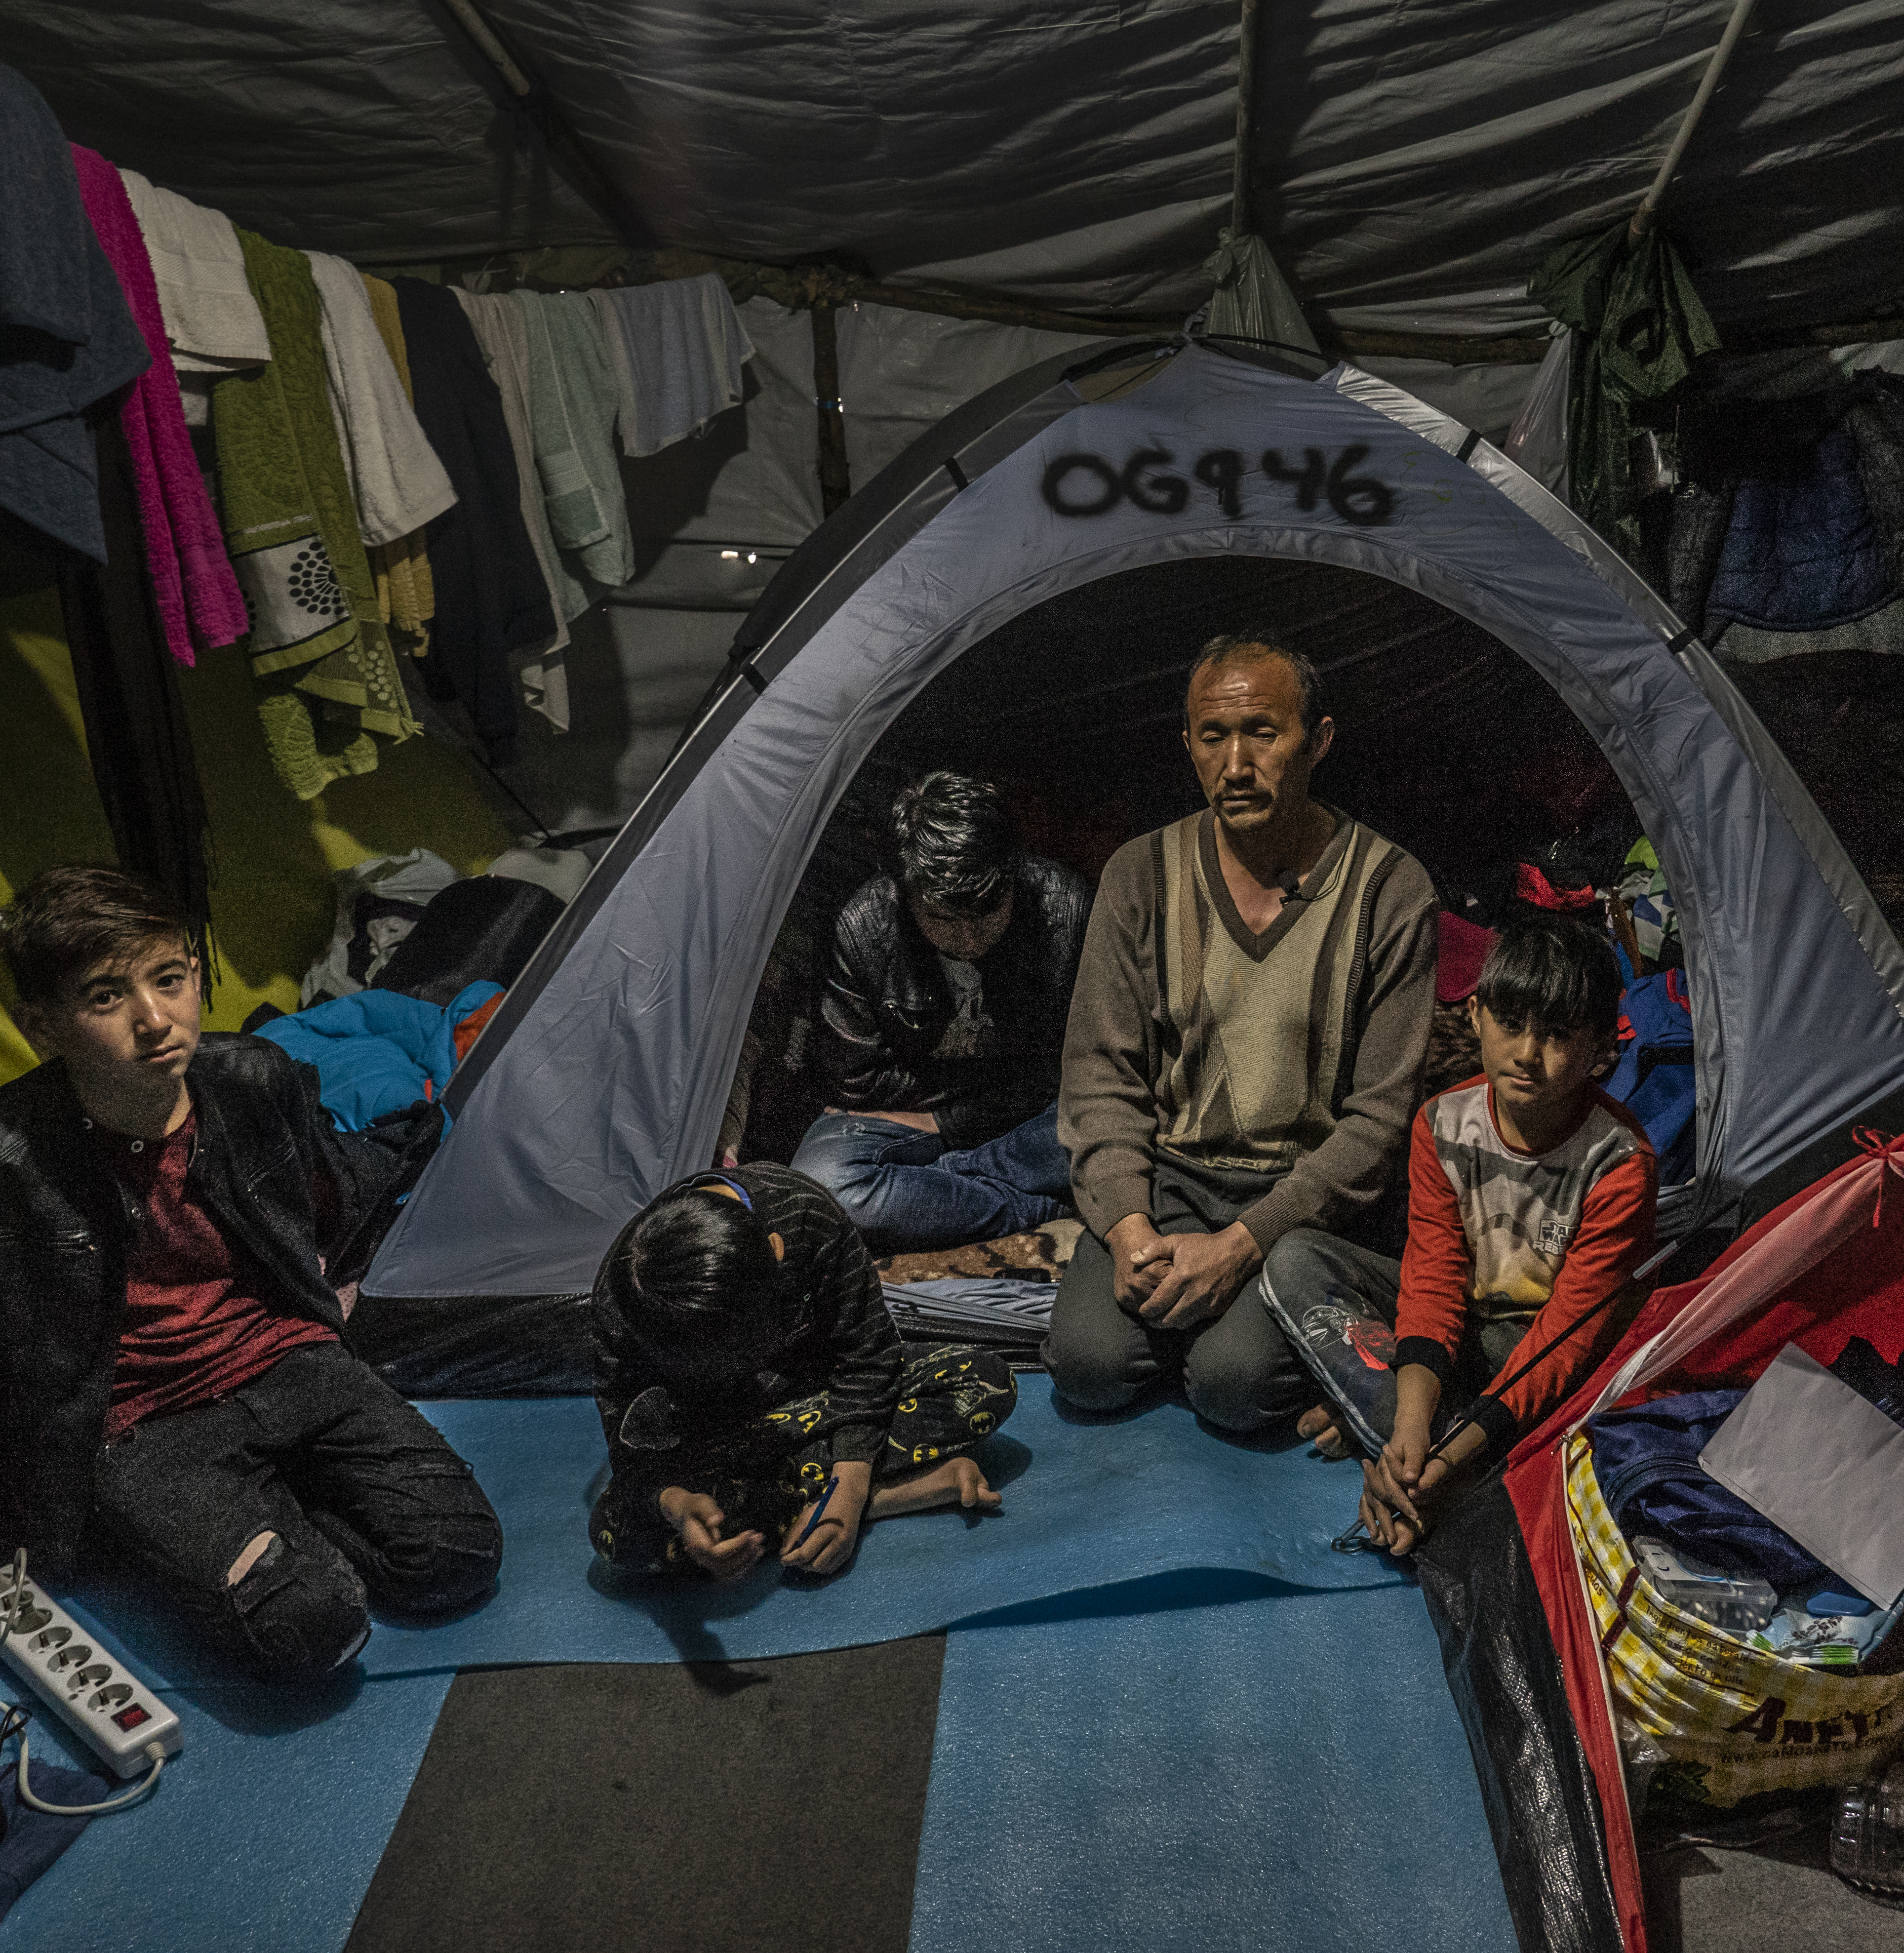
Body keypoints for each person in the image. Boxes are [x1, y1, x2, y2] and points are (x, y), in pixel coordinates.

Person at [0, 865, 502, 1680]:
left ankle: (264, 1509)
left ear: (195, 976)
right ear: (41, 1027)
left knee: (457, 1557)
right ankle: (239, 1527)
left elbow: (319, 1201)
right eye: (106, 998)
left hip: (288, 1360)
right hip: (139, 1425)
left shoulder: (256, 1078)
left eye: (169, 979)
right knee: (312, 1630)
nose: (156, 1019)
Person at [1047, 635, 1437, 1432]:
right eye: (1212, 736)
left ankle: (1245, 1323)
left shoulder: (1389, 889)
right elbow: (1100, 1077)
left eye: (1263, 732)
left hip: (1302, 1205)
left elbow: (1380, 1121)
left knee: (1234, 1385)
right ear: (1187, 745)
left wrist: (1243, 1245)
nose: (1236, 764)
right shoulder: (1140, 875)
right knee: (1088, 1365)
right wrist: (1128, 1228)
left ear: (1318, 741)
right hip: (1174, 1180)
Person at [1355, 916, 1658, 1554]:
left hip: (1533, 1344)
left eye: (1557, 1035)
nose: (1526, 1053)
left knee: (1545, 1387)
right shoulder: (1441, 1124)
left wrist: (1441, 1465)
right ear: (1476, 1016)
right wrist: (1414, 1431)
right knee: (1298, 1263)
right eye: (1511, 1024)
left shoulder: (1619, 1163)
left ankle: (1414, 1453)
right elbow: (1433, 1277)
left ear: (1603, 1045)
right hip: (1459, 1325)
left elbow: (1566, 1340)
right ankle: (1417, 1439)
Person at [589, 1164, 1015, 1579]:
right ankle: (890, 1495)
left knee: (984, 1382)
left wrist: (849, 1484)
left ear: (778, 1250)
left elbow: (868, 1355)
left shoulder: (805, 1214)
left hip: (823, 1395)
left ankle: (810, 1500)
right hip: (720, 1432)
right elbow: (632, 1442)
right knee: (614, 1536)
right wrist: (677, 1505)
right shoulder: (626, 1299)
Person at [788, 772, 1093, 1256]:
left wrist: (949, 1126)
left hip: (1026, 1112)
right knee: (822, 1181)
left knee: (1108, 1117)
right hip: (925, 1114)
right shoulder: (865, 926)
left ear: (1013, 874)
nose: (970, 940)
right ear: (906, 895)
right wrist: (948, 1117)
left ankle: (938, 1185)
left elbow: (1081, 1064)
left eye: (989, 913)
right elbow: (855, 1081)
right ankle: (1031, 1207)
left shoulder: (1067, 909)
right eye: (945, 921)